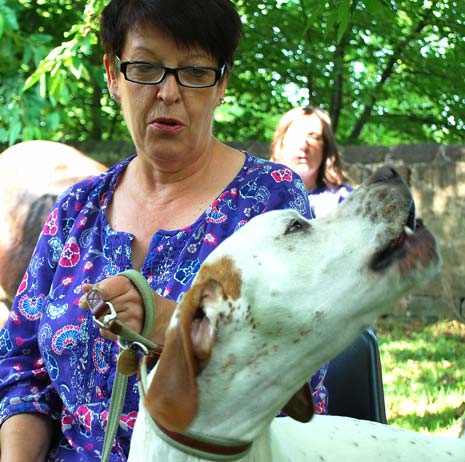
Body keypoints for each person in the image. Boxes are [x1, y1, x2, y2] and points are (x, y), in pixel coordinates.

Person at [0, 2, 326, 461]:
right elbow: (22, 368)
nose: (168, 92)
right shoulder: (77, 211)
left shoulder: (271, 204)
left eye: (194, 71)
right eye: (146, 67)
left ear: (222, 83)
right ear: (114, 75)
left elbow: (300, 381)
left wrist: (176, 325)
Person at [270, 106, 353, 218]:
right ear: (281, 144)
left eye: (314, 137)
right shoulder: (257, 198)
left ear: (326, 147)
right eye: (295, 135)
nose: (304, 146)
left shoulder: (345, 200)